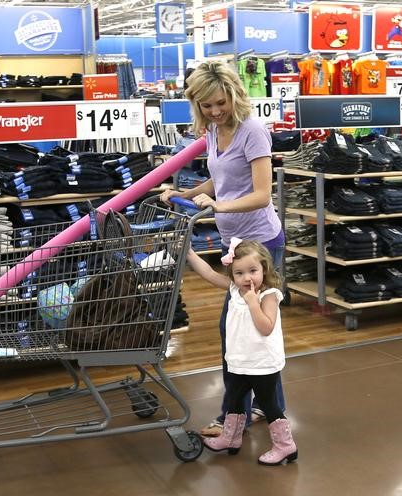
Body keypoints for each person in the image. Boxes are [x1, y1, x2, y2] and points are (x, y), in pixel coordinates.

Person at [160, 60, 285, 437]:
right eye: (206, 106)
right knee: (245, 332)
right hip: (236, 240)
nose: (215, 112)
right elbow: (221, 179)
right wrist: (188, 194)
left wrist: (218, 208)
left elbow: (262, 194)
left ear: (233, 95)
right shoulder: (214, 131)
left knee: (243, 331)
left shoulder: (253, 132)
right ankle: (260, 408)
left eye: (220, 103)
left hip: (260, 243)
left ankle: (236, 415)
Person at [186, 239, 297, 466]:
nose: (247, 278)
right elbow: (208, 272)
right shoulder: (235, 288)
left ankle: (286, 446)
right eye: (239, 273)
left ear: (264, 269)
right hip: (239, 360)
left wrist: (253, 303)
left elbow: (266, 327)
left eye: (253, 271)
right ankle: (231, 438)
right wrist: (187, 252)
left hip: (262, 363)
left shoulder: (269, 295)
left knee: (269, 404)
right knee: (234, 400)